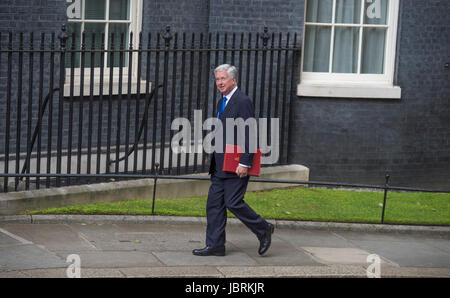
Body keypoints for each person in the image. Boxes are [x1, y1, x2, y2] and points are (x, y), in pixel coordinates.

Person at [192, 64, 274, 257]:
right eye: (217, 79)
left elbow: (250, 133)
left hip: (236, 164)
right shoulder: (223, 101)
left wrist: (245, 162)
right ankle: (215, 245)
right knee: (214, 205)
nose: (219, 83)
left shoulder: (242, 101)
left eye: (223, 79)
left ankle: (263, 229)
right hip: (220, 164)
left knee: (234, 202)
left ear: (233, 80)